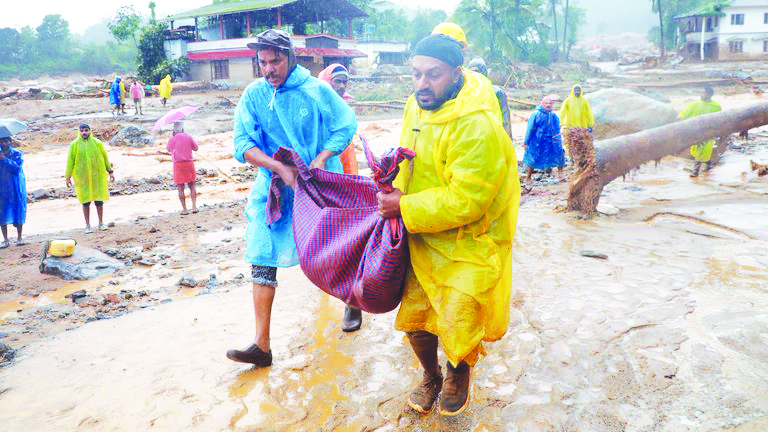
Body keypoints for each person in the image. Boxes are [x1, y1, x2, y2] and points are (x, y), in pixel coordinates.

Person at [377, 34, 520, 416]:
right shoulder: (414, 106)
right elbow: (409, 159)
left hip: (470, 239)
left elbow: (468, 200)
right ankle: (431, 375)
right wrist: (390, 182)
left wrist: (403, 207)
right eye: (416, 74)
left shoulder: (478, 125)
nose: (422, 84)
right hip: (421, 232)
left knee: (459, 317)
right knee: (417, 317)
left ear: (457, 74)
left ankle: (458, 374)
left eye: (433, 75)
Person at [227, 29, 358, 367]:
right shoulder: (254, 95)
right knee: (262, 252)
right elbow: (242, 143)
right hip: (274, 188)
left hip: (317, 183)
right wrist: (277, 168)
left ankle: (352, 299)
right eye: (263, 62)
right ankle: (262, 345)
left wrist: (318, 158)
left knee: (330, 249)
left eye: (276, 61)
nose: (268, 69)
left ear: (291, 57)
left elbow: (344, 126)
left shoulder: (316, 90)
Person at [65, 124, 114, 234]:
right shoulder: (74, 145)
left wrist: (110, 171)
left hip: (97, 176)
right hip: (82, 178)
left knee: (99, 200)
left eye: (86, 130)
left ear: (90, 131)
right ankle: (87, 226)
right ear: (79, 132)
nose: (84, 133)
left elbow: (105, 158)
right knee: (85, 202)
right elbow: (70, 162)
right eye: (82, 131)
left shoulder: (97, 143)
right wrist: (67, 177)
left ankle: (101, 223)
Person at [318, 63, 359, 176]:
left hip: (345, 150)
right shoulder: (316, 104)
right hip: (324, 154)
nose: (341, 86)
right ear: (326, 81)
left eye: (344, 82)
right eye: (337, 81)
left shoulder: (345, 104)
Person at [679, 86, 721, 177]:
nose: (701, 95)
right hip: (696, 131)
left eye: (704, 93)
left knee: (702, 150)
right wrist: (680, 118)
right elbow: (686, 112)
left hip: (708, 132)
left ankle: (695, 171)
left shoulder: (716, 106)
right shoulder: (696, 104)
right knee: (697, 150)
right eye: (701, 93)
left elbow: (719, 119)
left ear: (709, 95)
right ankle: (708, 163)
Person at [467, 57, 512, 138]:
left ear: (483, 72)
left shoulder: (496, 92)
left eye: (476, 71)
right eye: (471, 72)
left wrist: (508, 140)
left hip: (492, 136)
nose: (474, 75)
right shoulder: (465, 93)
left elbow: (505, 120)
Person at [523, 96, 565, 182]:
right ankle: (528, 177)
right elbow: (530, 129)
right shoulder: (536, 115)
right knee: (534, 158)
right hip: (538, 141)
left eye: (550, 103)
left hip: (551, 141)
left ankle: (561, 176)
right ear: (542, 104)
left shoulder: (553, 116)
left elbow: (557, 129)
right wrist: (526, 142)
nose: (548, 105)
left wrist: (558, 141)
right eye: (546, 103)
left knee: (559, 154)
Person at [167, 121, 198, 215]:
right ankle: (194, 207)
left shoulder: (172, 139)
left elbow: (168, 149)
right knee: (192, 185)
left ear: (174, 130)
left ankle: (184, 209)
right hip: (189, 163)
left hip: (178, 165)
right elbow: (196, 148)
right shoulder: (188, 137)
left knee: (180, 187)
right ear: (183, 129)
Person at [0, 137, 26, 248]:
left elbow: (16, 169)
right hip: (2, 186)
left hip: (16, 186)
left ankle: (19, 238)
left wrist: (4, 159)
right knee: (1, 211)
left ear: (10, 142)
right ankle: (5, 240)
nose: (4, 144)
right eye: (1, 142)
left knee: (18, 209)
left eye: (6, 141)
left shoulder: (17, 154)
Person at [559, 84, 594, 164]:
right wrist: (561, 123)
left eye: (578, 90)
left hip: (582, 126)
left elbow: (589, 113)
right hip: (570, 126)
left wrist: (590, 124)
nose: (577, 92)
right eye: (575, 90)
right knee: (571, 143)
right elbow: (562, 112)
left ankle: (581, 159)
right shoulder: (568, 100)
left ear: (581, 91)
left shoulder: (584, 101)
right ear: (573, 91)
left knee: (582, 143)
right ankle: (572, 159)